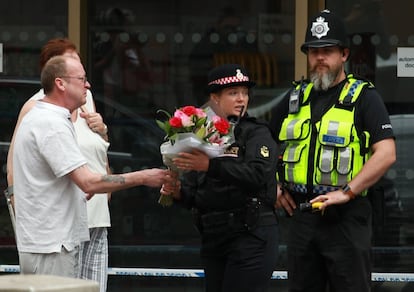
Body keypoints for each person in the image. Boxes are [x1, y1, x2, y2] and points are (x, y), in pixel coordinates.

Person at [268, 10, 396, 292]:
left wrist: (347, 191)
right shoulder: (293, 99)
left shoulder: (365, 97)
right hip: (301, 216)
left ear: (344, 55)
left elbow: (386, 153)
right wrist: (273, 186)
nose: (320, 58)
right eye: (314, 52)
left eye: (328, 51)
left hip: (346, 220)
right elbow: (260, 145)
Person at [12, 55, 169, 279]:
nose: (88, 84)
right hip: (51, 247)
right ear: (60, 83)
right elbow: (88, 181)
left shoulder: (49, 117)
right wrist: (144, 177)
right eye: (82, 79)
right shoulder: (51, 123)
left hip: (50, 243)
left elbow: (68, 182)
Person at [160, 64, 279, 292]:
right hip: (214, 236)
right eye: (233, 93)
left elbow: (258, 175)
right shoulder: (200, 135)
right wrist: (177, 192)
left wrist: (211, 165)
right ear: (215, 98)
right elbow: (197, 195)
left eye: (244, 93)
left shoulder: (257, 132)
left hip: (250, 233)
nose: (241, 99)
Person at [6, 38, 111, 292]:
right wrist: (24, 214)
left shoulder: (85, 98)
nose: (84, 78)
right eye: (73, 64)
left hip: (95, 210)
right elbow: (14, 164)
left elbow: (95, 149)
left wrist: (103, 131)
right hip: (57, 224)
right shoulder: (37, 108)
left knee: (95, 287)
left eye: (80, 63)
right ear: (57, 76)